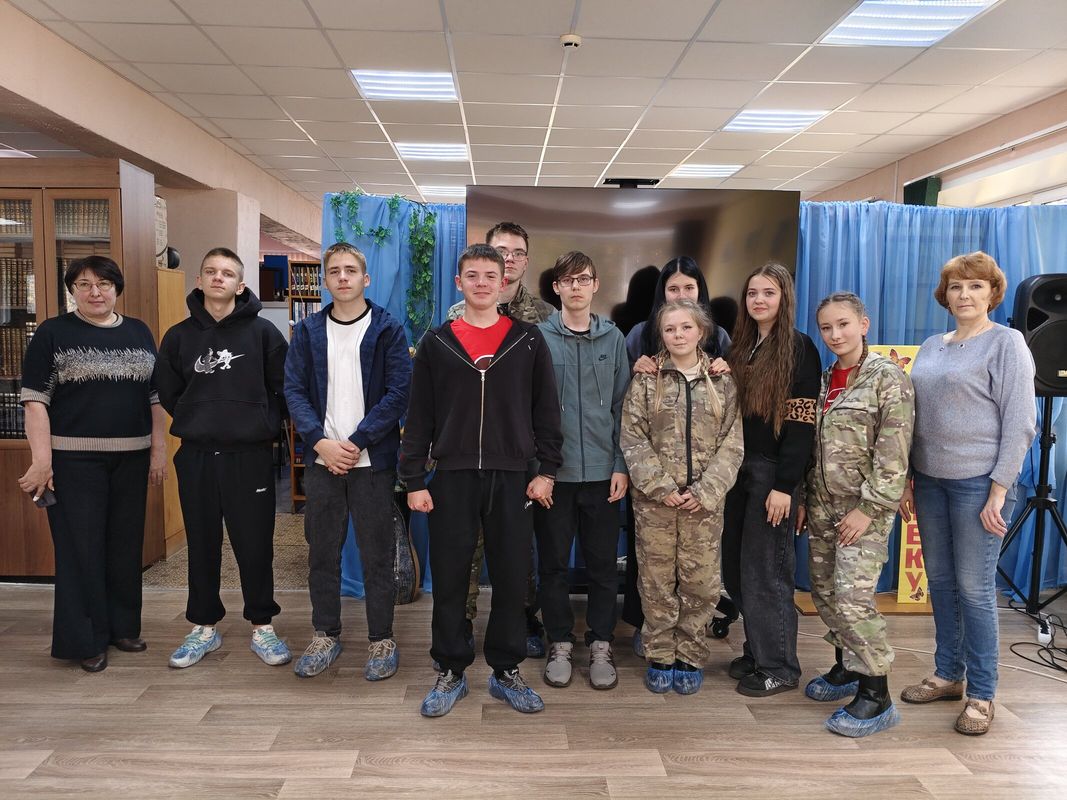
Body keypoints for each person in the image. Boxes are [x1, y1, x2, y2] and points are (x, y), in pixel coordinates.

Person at [401, 243, 562, 717]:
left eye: (490, 275)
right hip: (451, 477)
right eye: (472, 275)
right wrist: (413, 479)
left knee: (511, 578)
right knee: (451, 578)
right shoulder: (436, 343)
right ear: (459, 282)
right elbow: (420, 416)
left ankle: (505, 670)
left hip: (514, 477)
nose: (482, 283)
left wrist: (547, 471)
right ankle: (451, 669)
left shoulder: (527, 340)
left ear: (503, 281)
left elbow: (547, 413)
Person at [899, 252, 1036, 736]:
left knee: (975, 590)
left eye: (976, 286)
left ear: (992, 293)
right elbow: (914, 417)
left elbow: (1021, 420)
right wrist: (908, 477)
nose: (965, 295)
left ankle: (981, 693)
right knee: (940, 583)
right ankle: (947, 675)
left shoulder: (1007, 342)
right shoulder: (931, 346)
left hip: (980, 484)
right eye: (956, 286)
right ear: (946, 294)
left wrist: (1000, 489)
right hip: (929, 481)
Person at [19, 255, 167, 672]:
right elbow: (35, 402)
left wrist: (158, 450)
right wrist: (42, 462)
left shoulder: (139, 331)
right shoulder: (53, 333)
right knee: (81, 549)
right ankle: (87, 639)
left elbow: (155, 398)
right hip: (73, 461)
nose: (95, 292)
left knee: (124, 546)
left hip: (132, 458)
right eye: (84, 284)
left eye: (103, 284)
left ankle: (122, 628)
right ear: (72, 291)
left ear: (117, 288)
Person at [154, 247, 290, 670]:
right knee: (202, 544)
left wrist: (259, 422)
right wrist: (199, 418)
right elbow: (170, 392)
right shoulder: (178, 336)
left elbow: (284, 389)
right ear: (198, 280)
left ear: (240, 285)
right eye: (210, 271)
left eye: (227, 273)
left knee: (255, 544)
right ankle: (204, 626)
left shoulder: (263, 334)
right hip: (196, 454)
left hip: (249, 456)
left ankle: (262, 625)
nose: (218, 278)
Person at [284, 242, 411, 681]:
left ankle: (382, 639)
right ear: (325, 279)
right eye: (334, 270)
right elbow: (294, 391)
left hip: (371, 462)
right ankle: (325, 634)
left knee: (377, 555)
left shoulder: (387, 329)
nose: (342, 277)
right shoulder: (308, 332)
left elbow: (398, 393)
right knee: (322, 553)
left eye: (351, 270)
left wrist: (355, 442)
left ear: (365, 278)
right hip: (322, 462)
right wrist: (321, 443)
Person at [800, 292, 914, 737]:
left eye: (843, 324)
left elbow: (894, 454)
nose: (835, 334)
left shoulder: (887, 378)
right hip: (823, 506)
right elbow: (814, 447)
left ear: (863, 325)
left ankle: (876, 693)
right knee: (826, 593)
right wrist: (806, 498)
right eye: (826, 327)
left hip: (863, 511)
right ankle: (847, 666)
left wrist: (868, 509)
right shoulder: (825, 379)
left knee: (852, 599)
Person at [622, 299, 743, 694]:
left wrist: (706, 491)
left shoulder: (722, 381)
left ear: (701, 332)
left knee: (701, 584)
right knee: (656, 581)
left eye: (686, 327)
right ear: (661, 335)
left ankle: (690, 654)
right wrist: (661, 487)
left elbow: (732, 444)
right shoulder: (646, 380)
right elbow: (633, 438)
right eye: (670, 329)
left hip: (704, 507)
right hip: (655, 504)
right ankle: (659, 652)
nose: (678, 335)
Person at [446, 222, 553, 657]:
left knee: (519, 547)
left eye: (517, 252)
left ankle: (523, 618)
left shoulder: (544, 316)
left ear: (525, 261)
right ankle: (463, 621)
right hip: (469, 452)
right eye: (500, 251)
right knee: (466, 546)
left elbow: (547, 390)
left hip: (524, 448)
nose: (508, 259)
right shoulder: (456, 316)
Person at [721, 261, 821, 697]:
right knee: (735, 568)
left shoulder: (799, 348)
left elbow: (801, 424)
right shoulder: (741, 347)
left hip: (771, 474)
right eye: (752, 293)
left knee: (767, 572)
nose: (759, 300)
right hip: (736, 470)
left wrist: (785, 486)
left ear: (784, 298)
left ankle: (779, 665)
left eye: (768, 293)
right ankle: (758, 649)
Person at [536, 251, 629, 691]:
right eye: (568, 280)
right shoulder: (537, 338)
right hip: (554, 476)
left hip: (603, 476)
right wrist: (539, 471)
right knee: (553, 565)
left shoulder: (614, 338)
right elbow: (527, 410)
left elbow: (624, 409)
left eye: (584, 279)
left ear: (595, 285)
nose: (576, 287)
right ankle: (559, 641)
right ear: (556, 287)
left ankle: (601, 643)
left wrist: (621, 465)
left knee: (602, 567)